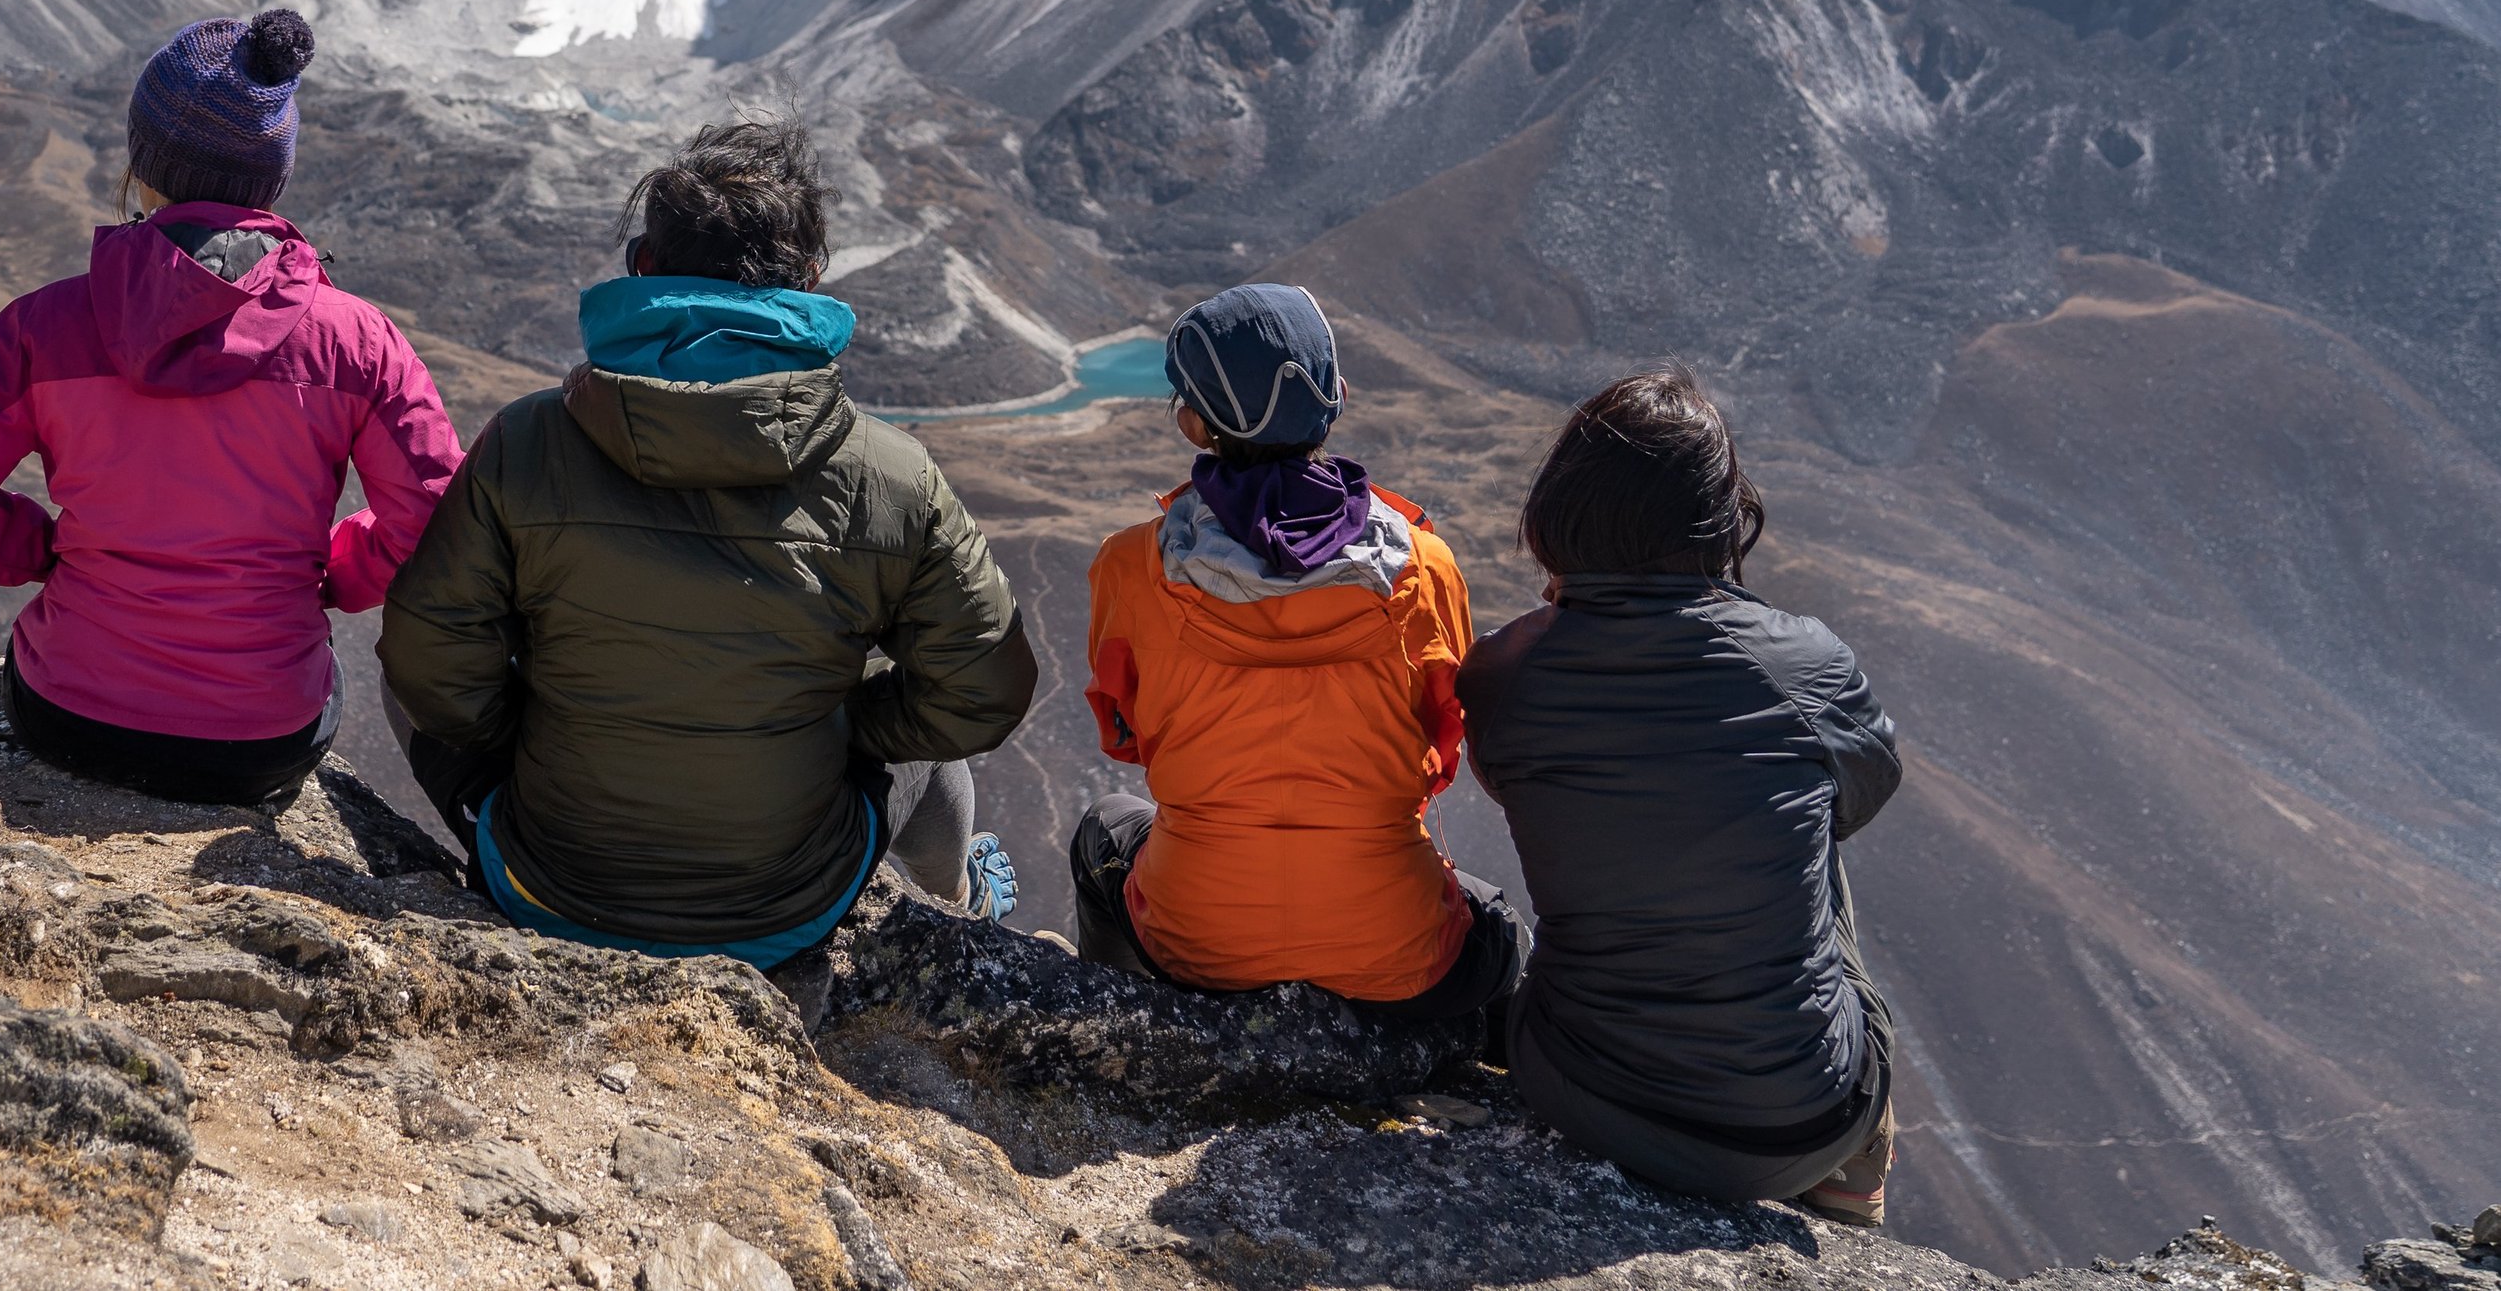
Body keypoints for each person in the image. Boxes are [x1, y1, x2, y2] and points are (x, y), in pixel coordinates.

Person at [378, 117, 1035, 964]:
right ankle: (957, 903)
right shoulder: (891, 472)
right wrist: (841, 730)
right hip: (785, 909)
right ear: (809, 279)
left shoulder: (526, 439)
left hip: (548, 885)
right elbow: (984, 688)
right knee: (933, 751)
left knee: (411, 649)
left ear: (643, 267)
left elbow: (429, 661)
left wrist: (537, 730)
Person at [0, 10, 461, 810]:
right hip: (262, 739)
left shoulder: (44, 327)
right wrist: (328, 572)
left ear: (141, 166)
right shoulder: (358, 341)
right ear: (274, 175)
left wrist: (50, 550)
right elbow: (432, 520)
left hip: (68, 717)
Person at [1461, 368, 1904, 1228]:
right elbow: (1862, 794)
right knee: (1809, 830)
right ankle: (1854, 1171)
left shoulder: (1502, 673)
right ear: (1718, 516)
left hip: (1582, 1091)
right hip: (1801, 1121)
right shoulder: (1802, 663)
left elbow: (1505, 777)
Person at [1066, 283, 1527, 1023]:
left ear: (1191, 422)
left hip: (1193, 942)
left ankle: (1121, 1026)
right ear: (1336, 396)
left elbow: (1124, 735)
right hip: (1395, 952)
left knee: (1104, 827)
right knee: (1501, 932)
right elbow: (1444, 742)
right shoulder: (1426, 565)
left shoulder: (1127, 565)